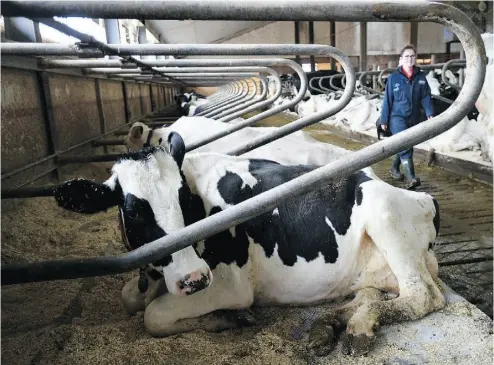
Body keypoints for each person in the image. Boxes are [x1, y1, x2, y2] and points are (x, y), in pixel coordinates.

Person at [380, 45, 434, 190]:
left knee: (404, 144)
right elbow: (387, 100)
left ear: (415, 59)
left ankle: (394, 170)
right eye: (407, 56)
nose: (410, 59)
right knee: (405, 144)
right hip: (397, 117)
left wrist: (430, 113)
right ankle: (411, 177)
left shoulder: (421, 77)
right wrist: (384, 119)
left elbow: (426, 97)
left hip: (414, 117)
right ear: (401, 59)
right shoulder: (393, 78)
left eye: (412, 56)